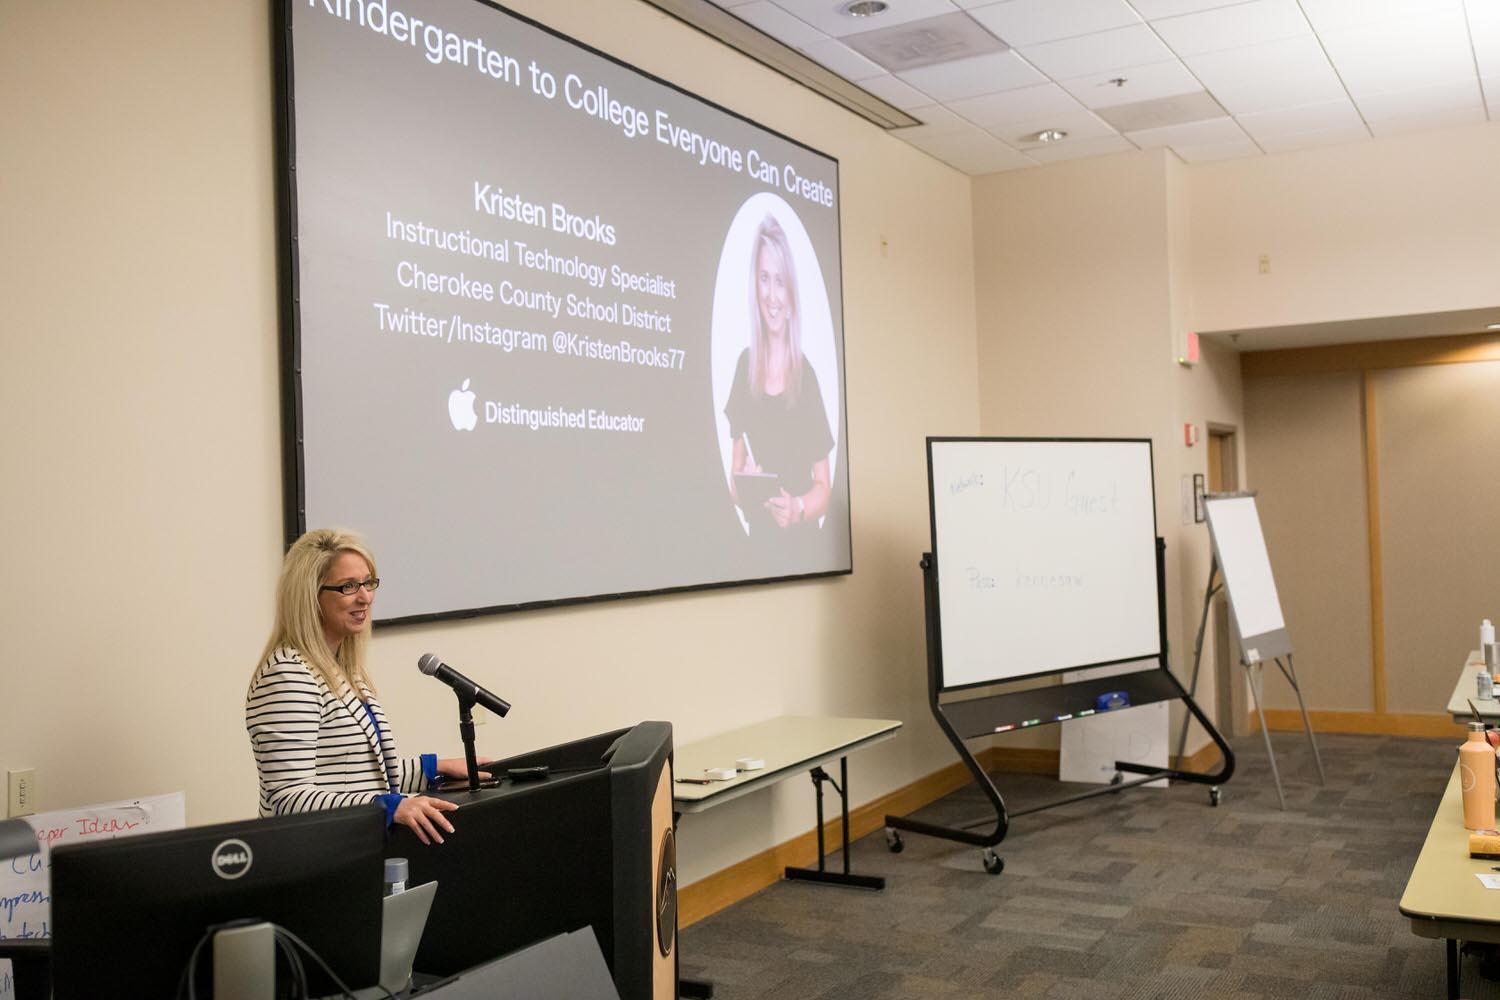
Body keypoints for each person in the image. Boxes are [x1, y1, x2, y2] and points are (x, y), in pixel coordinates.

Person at [246, 528, 469, 845]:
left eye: (368, 582)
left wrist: (430, 768)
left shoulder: (341, 668)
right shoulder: (288, 674)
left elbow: (352, 772)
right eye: (348, 586)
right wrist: (388, 806)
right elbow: (290, 799)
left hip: (348, 851)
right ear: (310, 595)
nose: (365, 597)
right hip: (311, 862)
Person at [724, 214, 835, 538]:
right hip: (757, 550)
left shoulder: (806, 377)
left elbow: (823, 488)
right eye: (764, 278)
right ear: (754, 286)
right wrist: (747, 483)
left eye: (779, 280)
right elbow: (732, 483)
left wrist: (798, 508)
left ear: (790, 295)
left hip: (805, 554)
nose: (772, 295)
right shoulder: (744, 368)